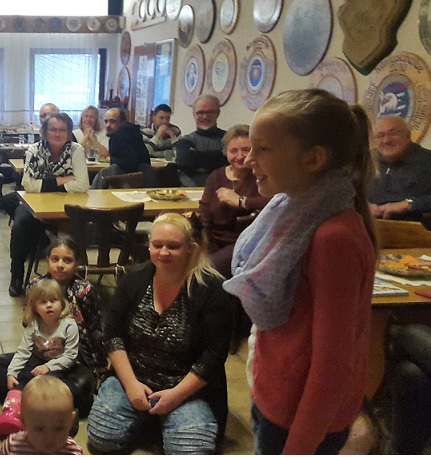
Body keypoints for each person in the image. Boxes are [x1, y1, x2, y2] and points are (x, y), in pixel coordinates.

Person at [223, 89, 378, 455]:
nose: (247, 160)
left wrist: (302, 444)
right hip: (276, 399)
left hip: (299, 421)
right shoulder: (293, 211)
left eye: (263, 149)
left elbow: (332, 363)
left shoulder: (333, 236)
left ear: (312, 159)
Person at [87, 212, 232, 454]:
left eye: (173, 246)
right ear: (149, 246)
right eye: (157, 245)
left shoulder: (211, 288)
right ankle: (152, 422)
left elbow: (214, 354)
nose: (163, 252)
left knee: (191, 451)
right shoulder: (133, 279)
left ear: (190, 248)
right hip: (135, 377)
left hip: (186, 389)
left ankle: (156, 424)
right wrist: (131, 384)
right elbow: (112, 334)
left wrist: (177, 395)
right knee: (102, 439)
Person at [8, 112, 89, 297]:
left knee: (74, 222)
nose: (57, 134)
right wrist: (62, 180)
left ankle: (70, 279)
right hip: (35, 203)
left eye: (62, 130)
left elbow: (82, 185)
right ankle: (17, 275)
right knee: (21, 224)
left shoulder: (76, 150)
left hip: (66, 205)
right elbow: (28, 185)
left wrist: (43, 183)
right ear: (45, 131)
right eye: (53, 129)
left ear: (69, 132)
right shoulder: (34, 150)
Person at [0, 279, 78, 436]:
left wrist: (48, 367)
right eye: (43, 302)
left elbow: (71, 355)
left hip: (58, 365)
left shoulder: (69, 325)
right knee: (21, 381)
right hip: (35, 361)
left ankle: (44, 418)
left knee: (49, 389)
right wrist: (12, 372)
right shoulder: (34, 325)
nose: (49, 305)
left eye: (53, 301)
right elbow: (23, 351)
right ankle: (12, 413)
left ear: (62, 303)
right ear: (35, 307)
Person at [27, 236, 107, 379]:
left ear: (77, 264)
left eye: (67, 260)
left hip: (76, 353)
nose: (60, 265)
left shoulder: (84, 290)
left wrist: (99, 365)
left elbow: (94, 331)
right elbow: (28, 320)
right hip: (42, 349)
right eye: (55, 259)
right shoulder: (35, 286)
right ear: (47, 260)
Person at [200, 124, 270, 279]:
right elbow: (204, 211)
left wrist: (241, 201)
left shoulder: (262, 175)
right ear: (225, 152)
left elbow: (275, 203)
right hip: (213, 241)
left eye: (246, 150)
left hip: (245, 243)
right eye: (233, 151)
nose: (240, 156)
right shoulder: (216, 176)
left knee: (205, 270)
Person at [369, 116, 431, 222]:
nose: (386, 140)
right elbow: (349, 195)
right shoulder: (365, 162)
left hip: (416, 229)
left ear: (408, 136)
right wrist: (364, 206)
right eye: (380, 136)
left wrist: (409, 204)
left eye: (394, 134)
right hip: (369, 227)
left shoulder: (427, 160)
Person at [0, 375, 83, 455]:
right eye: (39, 429)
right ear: (23, 421)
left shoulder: (74, 452)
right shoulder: (13, 445)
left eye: (59, 428)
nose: (49, 439)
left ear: (71, 420)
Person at [90, 107, 150, 189]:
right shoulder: (133, 132)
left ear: (123, 122)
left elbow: (127, 163)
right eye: (106, 121)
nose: (108, 125)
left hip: (130, 184)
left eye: (112, 121)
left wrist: (111, 159)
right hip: (144, 183)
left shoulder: (120, 136)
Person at [176, 94, 228, 186]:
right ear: (194, 115)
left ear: (218, 113)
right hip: (190, 190)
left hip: (223, 189)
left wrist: (197, 163)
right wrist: (220, 155)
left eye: (210, 112)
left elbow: (231, 162)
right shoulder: (185, 140)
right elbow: (184, 161)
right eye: (200, 112)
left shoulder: (229, 139)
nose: (205, 117)